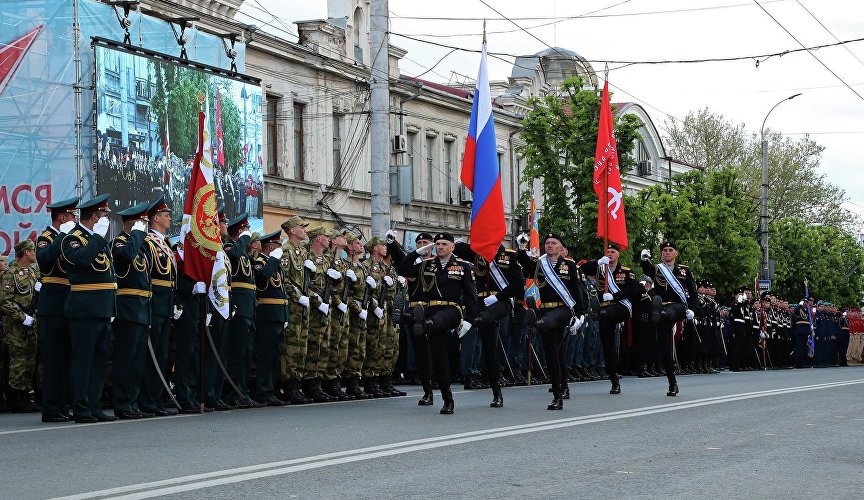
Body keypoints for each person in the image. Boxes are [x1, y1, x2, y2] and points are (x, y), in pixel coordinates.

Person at [399, 232, 478, 414]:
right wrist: (417, 252)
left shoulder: (463, 266)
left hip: (452, 310)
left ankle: (418, 321)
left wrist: (470, 321)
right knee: (439, 356)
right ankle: (446, 398)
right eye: (438, 244)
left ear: (452, 247)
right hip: (429, 310)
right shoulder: (427, 264)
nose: (440, 247)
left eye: (444, 244)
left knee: (438, 320)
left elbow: (471, 296)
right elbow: (403, 269)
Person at [60, 194, 118, 423]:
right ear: (94, 217)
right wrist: (97, 237)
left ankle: (94, 405)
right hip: (84, 308)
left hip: (102, 308)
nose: (107, 220)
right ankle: (81, 407)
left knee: (99, 360)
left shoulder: (97, 239)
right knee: (83, 360)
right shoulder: (72, 238)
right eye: (104, 216)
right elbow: (82, 260)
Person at [517, 233, 588, 410]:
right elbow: (525, 265)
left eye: (553, 243)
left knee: (551, 321)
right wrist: (521, 247)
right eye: (547, 243)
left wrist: (580, 315)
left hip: (563, 309)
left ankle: (536, 324)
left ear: (560, 247)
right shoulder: (539, 264)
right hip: (545, 309)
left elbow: (578, 291)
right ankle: (558, 395)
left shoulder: (570, 266)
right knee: (552, 355)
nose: (549, 245)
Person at [454, 241, 524, 408]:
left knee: (485, 319)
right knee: (489, 349)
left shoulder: (509, 256)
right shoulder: (478, 253)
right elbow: (458, 248)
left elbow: (517, 285)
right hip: (479, 301)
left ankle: (471, 322)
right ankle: (496, 391)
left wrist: (499, 296)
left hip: (500, 302)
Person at [36, 196, 79, 422]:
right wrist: (62, 235)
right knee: (53, 358)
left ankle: (62, 404)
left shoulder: (68, 238)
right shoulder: (46, 237)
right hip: (52, 303)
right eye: (72, 216)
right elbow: (44, 260)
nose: (74, 219)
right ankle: (50, 407)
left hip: (68, 301)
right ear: (62, 217)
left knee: (65, 357)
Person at [579, 243, 642, 394]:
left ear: (618, 254)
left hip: (621, 307)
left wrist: (615, 295)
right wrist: (597, 262)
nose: (610, 254)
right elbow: (581, 269)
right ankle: (614, 379)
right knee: (607, 345)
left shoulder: (626, 272)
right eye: (607, 251)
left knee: (607, 315)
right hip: (604, 309)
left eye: (613, 251)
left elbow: (636, 288)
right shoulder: (600, 268)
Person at [110, 201, 153, 419]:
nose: (145, 226)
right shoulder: (119, 242)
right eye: (142, 222)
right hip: (127, 309)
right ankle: (121, 402)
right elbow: (125, 257)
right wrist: (136, 235)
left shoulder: (141, 246)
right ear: (133, 223)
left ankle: (133, 401)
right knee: (125, 358)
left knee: (138, 360)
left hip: (142, 309)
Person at [639, 241, 698, 397]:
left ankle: (658, 313)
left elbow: (693, 292)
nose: (667, 252)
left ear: (676, 253)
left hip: (678, 306)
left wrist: (693, 309)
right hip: (662, 308)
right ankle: (672, 383)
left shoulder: (685, 270)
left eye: (670, 250)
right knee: (665, 348)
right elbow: (647, 269)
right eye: (664, 250)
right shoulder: (658, 269)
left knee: (668, 312)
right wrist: (644, 259)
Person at [139, 194, 179, 416]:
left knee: (163, 355)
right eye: (165, 215)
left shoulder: (166, 243)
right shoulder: (148, 242)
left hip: (167, 306)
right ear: (155, 219)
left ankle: (157, 397)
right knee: (152, 355)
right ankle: (148, 399)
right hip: (154, 304)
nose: (169, 219)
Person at [387, 230, 437, 405]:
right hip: (417, 313)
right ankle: (427, 389)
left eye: (426, 243)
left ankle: (439, 379)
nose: (422, 246)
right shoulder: (414, 264)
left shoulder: (439, 263)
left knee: (437, 350)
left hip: (436, 312)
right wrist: (392, 244)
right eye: (419, 244)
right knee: (421, 352)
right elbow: (401, 264)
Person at [223, 214, 259, 408]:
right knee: (236, 353)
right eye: (245, 229)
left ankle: (243, 390)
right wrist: (243, 239)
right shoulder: (231, 247)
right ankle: (233, 392)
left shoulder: (245, 254)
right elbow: (232, 254)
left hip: (248, 308)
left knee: (246, 353)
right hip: (238, 307)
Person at [0, 239, 40, 413]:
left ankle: (25, 394)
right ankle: (15, 397)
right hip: (17, 326)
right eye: (33, 251)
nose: (35, 254)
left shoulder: (32, 272)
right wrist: (21, 317)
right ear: (26, 253)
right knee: (18, 362)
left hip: (32, 324)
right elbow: (4, 301)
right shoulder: (11, 274)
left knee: (30, 361)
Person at [279, 215, 312, 404]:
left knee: (301, 345)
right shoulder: (286, 251)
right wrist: (300, 297)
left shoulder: (302, 252)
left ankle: (297, 384)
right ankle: (289, 386)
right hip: (292, 306)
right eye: (301, 227)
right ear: (292, 230)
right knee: (291, 347)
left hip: (303, 308)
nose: (304, 229)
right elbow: (285, 281)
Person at [253, 229, 288, 406]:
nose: (280, 248)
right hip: (266, 315)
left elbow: (282, 292)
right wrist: (273, 258)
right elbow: (262, 278)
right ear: (271, 246)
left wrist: (285, 315)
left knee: (275, 356)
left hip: (278, 315)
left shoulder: (275, 264)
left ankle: (272, 390)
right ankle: (264, 391)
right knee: (266, 356)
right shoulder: (260, 262)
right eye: (277, 245)